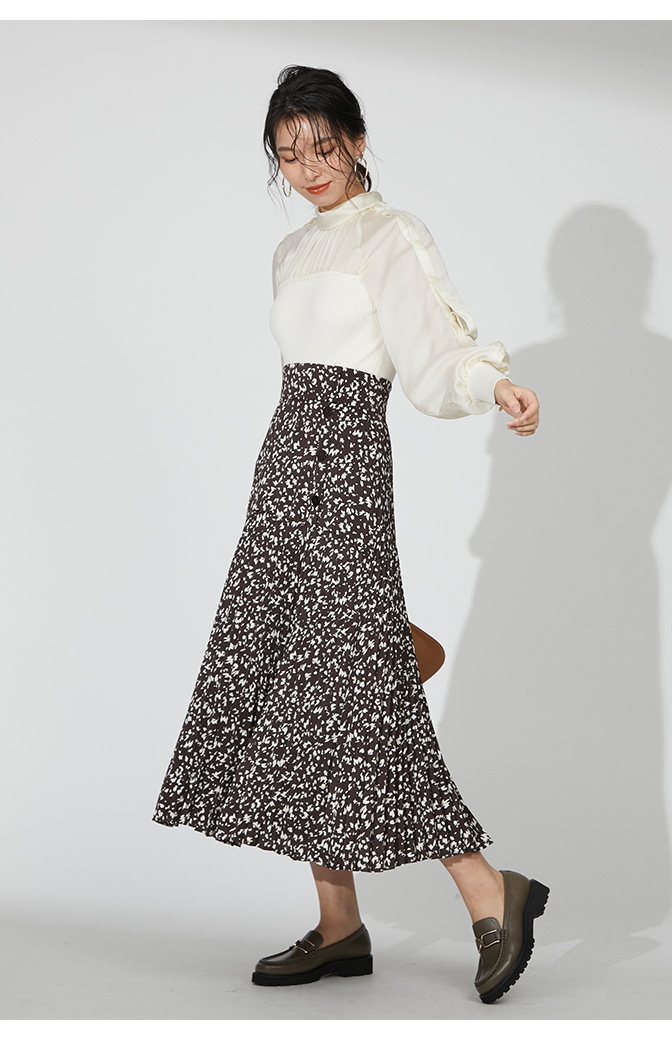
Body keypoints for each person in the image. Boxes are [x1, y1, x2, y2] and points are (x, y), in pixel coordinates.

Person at [152, 64, 548, 1005]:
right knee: (300, 682)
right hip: (284, 462)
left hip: (345, 462)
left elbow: (434, 351)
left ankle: (490, 888)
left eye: (322, 147)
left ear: (357, 141)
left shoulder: (391, 235)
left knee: (356, 684)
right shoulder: (290, 252)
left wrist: (493, 384)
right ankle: (340, 928)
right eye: (288, 155)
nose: (308, 168)